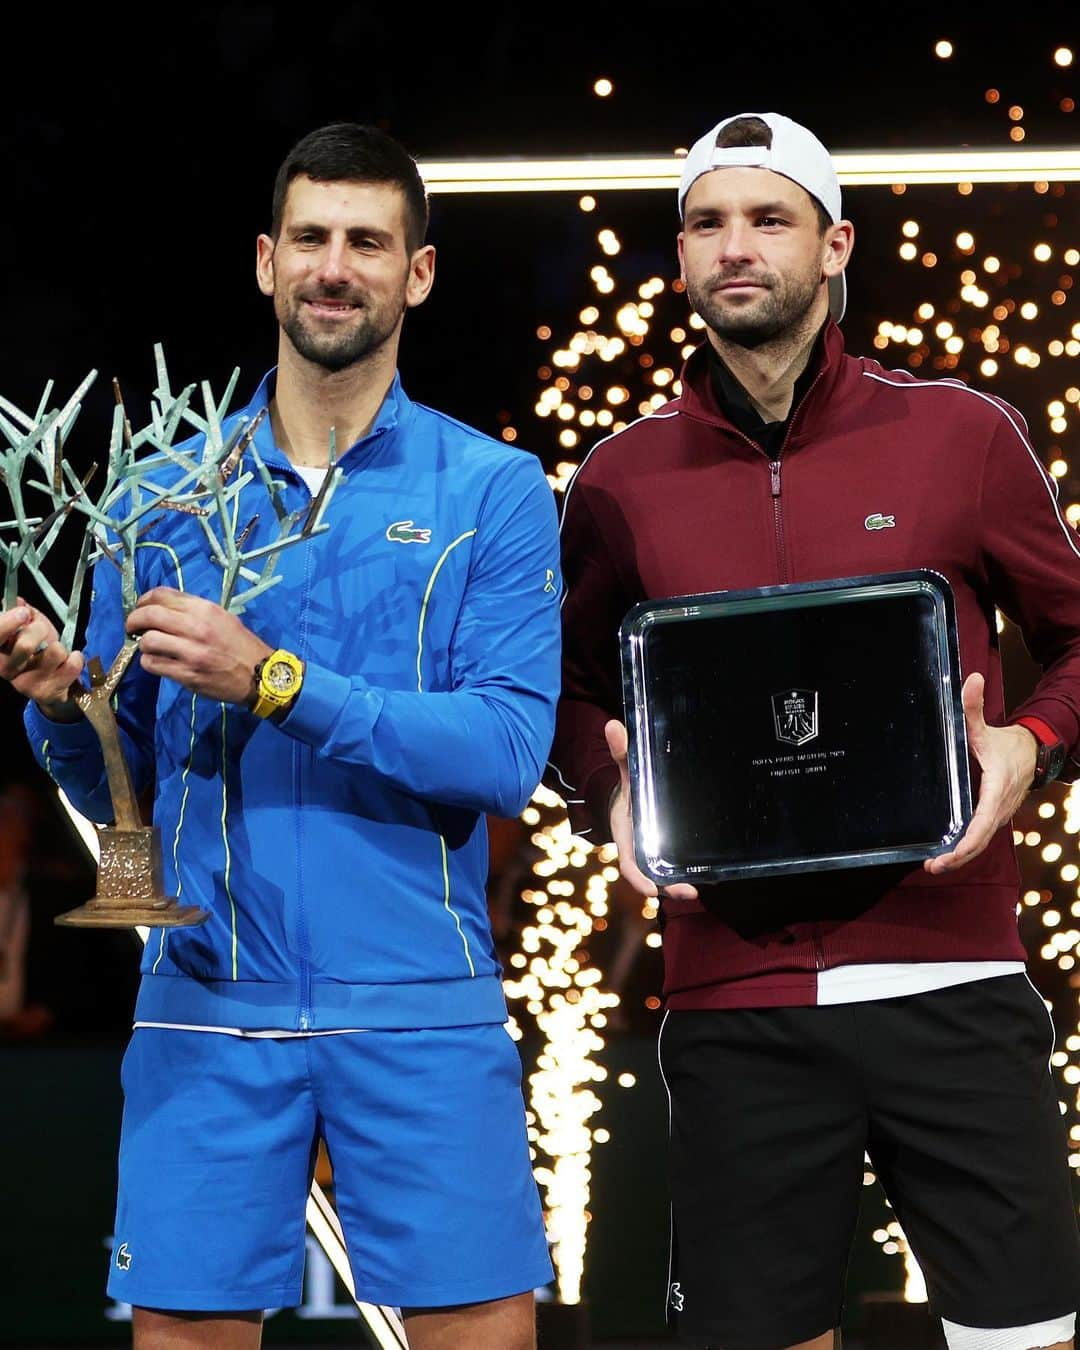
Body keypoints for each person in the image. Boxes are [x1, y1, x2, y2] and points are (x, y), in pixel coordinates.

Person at [1, 122, 560, 1349]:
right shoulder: (158, 495)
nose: (334, 266)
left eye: (368, 242)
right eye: (310, 238)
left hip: (420, 1004)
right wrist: (60, 710)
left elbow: (507, 751)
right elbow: (121, 787)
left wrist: (279, 682)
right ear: (266, 261)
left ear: (417, 274)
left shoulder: (495, 492)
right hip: (205, 1002)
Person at [549, 110, 1080, 1350]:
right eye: (708, 223)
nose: (738, 246)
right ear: (679, 259)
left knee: (1029, 1337)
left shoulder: (964, 433)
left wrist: (1031, 747)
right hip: (734, 1007)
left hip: (952, 979)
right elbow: (565, 693)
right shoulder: (620, 479)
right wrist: (610, 795)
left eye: (770, 218)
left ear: (835, 244)